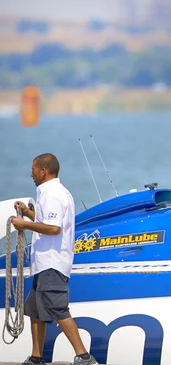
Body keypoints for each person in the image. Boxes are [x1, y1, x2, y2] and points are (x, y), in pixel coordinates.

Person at [11, 153, 98, 365]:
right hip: (44, 263)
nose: (30, 173)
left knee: (59, 309)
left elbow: (54, 228)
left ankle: (84, 357)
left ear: (43, 171)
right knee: (35, 311)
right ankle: (36, 357)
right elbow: (46, 221)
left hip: (52, 262)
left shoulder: (53, 195)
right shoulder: (55, 193)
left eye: (33, 169)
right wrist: (28, 213)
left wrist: (24, 225)